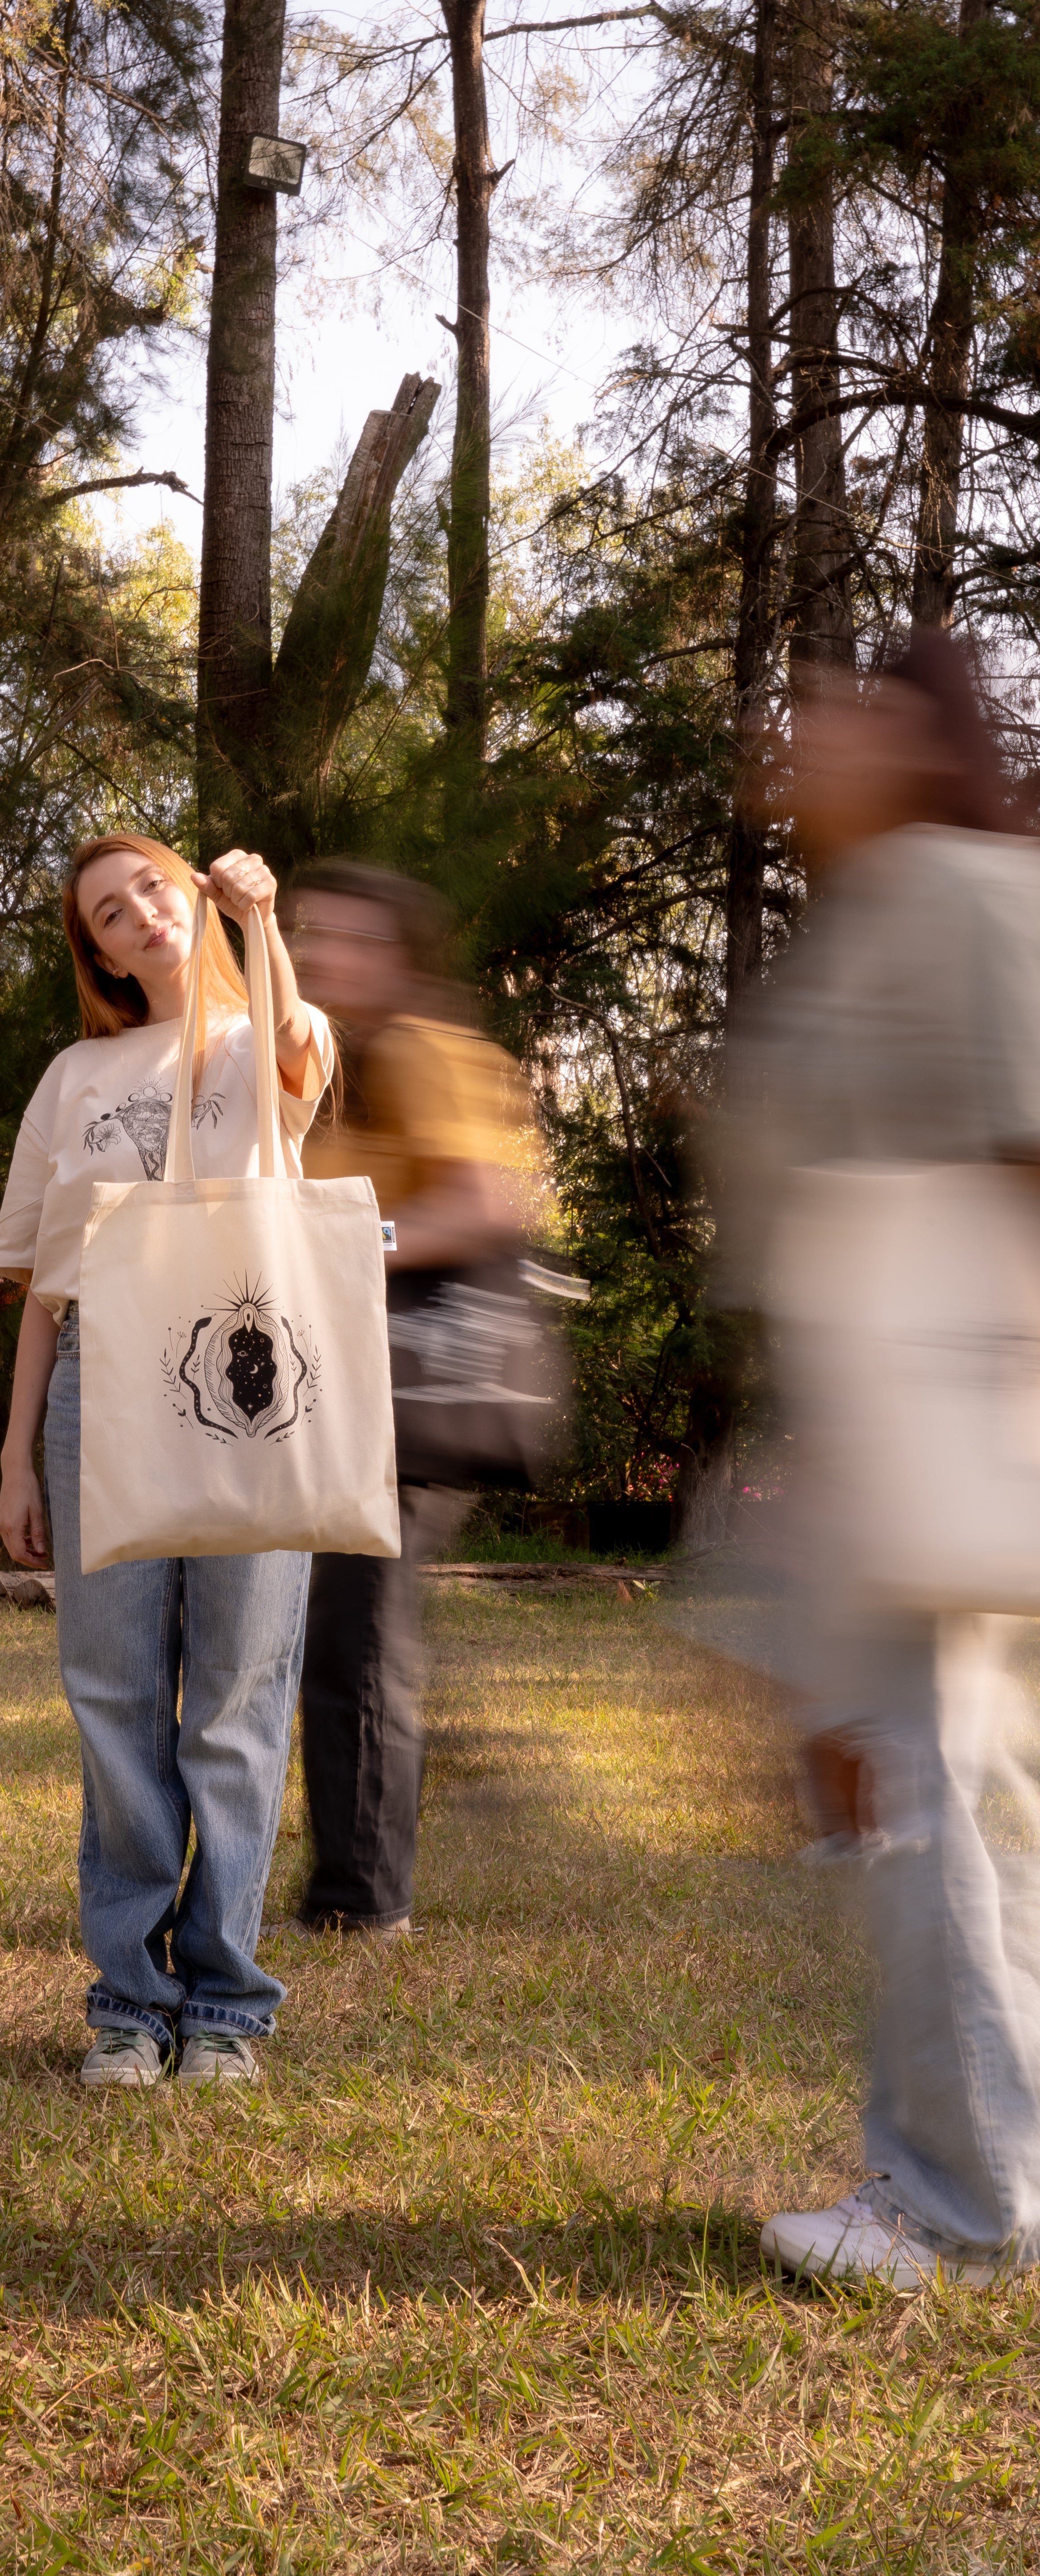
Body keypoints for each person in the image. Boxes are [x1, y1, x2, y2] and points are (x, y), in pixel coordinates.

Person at [719, 633, 1040, 2289]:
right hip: (913, 1426)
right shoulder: (900, 899)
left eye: (839, 715)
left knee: (925, 1806)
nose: (804, 742)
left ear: (919, 741)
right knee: (960, 1799)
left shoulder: (946, 891)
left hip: (947, 1432)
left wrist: (956, 1425)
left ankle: (955, 2207)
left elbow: (1023, 1145)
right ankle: (985, 2174)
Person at [0, 834, 335, 2088]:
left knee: (239, 1697)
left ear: (193, 890)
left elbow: (299, 1069)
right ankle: (130, 2007)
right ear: (95, 952)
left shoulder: (269, 1026)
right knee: (116, 1696)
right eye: (105, 914)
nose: (136, 915)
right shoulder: (75, 1075)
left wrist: (262, 928)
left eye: (151, 887)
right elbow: (38, 1287)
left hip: (251, 1367)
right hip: (102, 1380)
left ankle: (228, 2010)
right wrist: (16, 1461)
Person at [284, 863, 533, 1937]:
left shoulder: (422, 1049)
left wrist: (344, 1238)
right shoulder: (332, 1061)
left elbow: (483, 1208)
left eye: (351, 939)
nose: (324, 958)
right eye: (309, 936)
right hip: (353, 1385)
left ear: (401, 956)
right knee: (342, 1632)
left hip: (410, 1388)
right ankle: (358, 1860)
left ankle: (360, 1900)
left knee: (360, 1634)